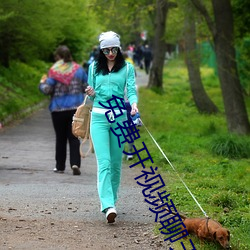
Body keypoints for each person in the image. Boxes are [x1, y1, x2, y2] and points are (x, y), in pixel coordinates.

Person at [85, 31, 138, 223]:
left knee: (116, 164)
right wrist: (90, 92)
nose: (110, 53)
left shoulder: (127, 68)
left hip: (120, 119)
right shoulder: (93, 68)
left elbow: (131, 90)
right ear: (101, 50)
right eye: (106, 50)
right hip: (98, 118)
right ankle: (107, 205)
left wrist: (133, 104)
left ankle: (112, 201)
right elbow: (91, 97)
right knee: (104, 163)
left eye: (114, 49)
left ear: (119, 48)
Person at [39, 45, 88, 175]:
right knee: (74, 137)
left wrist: (42, 83)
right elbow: (86, 87)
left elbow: (47, 90)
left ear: (58, 57)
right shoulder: (79, 70)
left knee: (60, 138)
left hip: (58, 109)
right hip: (75, 109)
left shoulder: (54, 71)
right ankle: (75, 163)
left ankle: (60, 166)